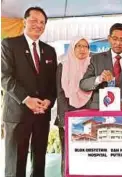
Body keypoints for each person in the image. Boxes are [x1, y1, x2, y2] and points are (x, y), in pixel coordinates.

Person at [1, 7, 57, 177]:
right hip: (18, 114)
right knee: (16, 164)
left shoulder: (49, 50)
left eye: (42, 23)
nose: (38, 25)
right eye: (34, 21)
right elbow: (5, 78)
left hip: (41, 114)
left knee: (39, 161)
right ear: (24, 21)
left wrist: (48, 100)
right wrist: (26, 99)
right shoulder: (9, 44)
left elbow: (53, 82)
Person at [80, 23, 122, 110]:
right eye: (115, 39)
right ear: (109, 38)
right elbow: (83, 84)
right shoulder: (96, 59)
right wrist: (99, 78)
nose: (118, 43)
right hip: (99, 111)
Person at [55, 37, 92, 177]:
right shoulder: (63, 65)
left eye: (86, 46)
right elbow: (60, 93)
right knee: (68, 155)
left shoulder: (92, 65)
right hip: (68, 116)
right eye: (79, 46)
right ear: (72, 48)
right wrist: (65, 119)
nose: (82, 49)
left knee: (87, 154)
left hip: (89, 116)